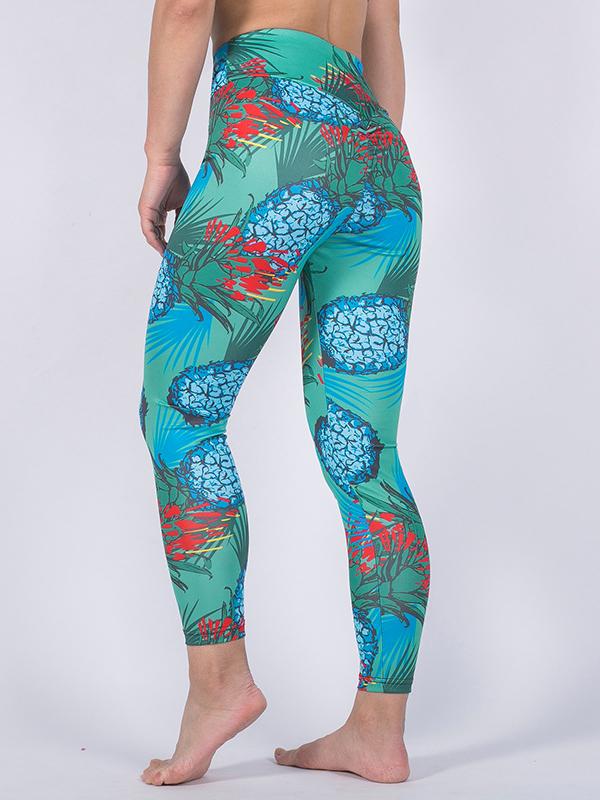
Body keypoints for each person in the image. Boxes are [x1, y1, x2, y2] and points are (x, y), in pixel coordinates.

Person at [138, 0, 429, 786]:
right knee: (367, 458)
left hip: (273, 134)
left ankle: (220, 683)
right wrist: (360, 162)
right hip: (379, 157)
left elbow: (185, 7)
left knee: (180, 417)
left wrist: (162, 156)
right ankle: (378, 732)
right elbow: (384, 29)